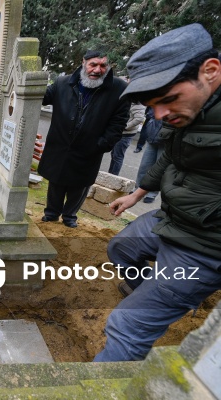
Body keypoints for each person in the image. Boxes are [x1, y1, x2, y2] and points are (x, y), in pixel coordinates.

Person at [94, 23, 221, 362]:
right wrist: (138, 193)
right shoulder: (190, 113)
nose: (160, 115)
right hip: (172, 219)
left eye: (168, 100)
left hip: (204, 245)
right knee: (121, 246)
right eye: (153, 105)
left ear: (209, 72)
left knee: (126, 325)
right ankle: (149, 291)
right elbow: (170, 155)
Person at [38, 50, 130, 228]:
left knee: (79, 186)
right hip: (60, 145)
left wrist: (102, 144)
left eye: (103, 65)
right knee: (56, 181)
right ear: (83, 63)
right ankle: (51, 214)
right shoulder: (62, 83)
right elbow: (41, 97)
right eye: (93, 64)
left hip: (90, 148)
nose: (97, 70)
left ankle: (70, 216)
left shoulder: (118, 88)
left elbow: (119, 122)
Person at [133, 107, 165, 204]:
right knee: (144, 166)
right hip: (152, 137)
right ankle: (137, 189)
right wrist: (151, 119)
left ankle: (152, 193)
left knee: (159, 169)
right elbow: (151, 110)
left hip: (166, 141)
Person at [108, 100, 146, 175]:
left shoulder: (138, 103)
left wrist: (125, 126)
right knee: (114, 154)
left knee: (117, 156)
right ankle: (110, 174)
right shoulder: (130, 100)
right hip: (121, 132)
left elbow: (139, 118)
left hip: (126, 134)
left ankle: (113, 176)